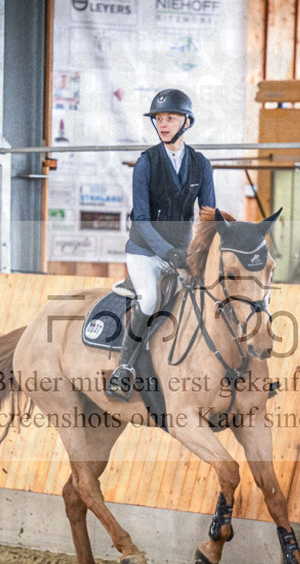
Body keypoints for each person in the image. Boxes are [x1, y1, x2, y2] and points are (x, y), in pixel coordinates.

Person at [105, 88, 216, 401]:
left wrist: (202, 253)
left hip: (182, 254)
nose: (163, 124)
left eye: (170, 118)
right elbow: (140, 219)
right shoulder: (146, 164)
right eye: (159, 119)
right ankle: (124, 368)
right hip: (145, 252)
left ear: (187, 122)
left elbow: (209, 216)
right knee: (151, 299)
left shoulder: (201, 165)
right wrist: (168, 253)